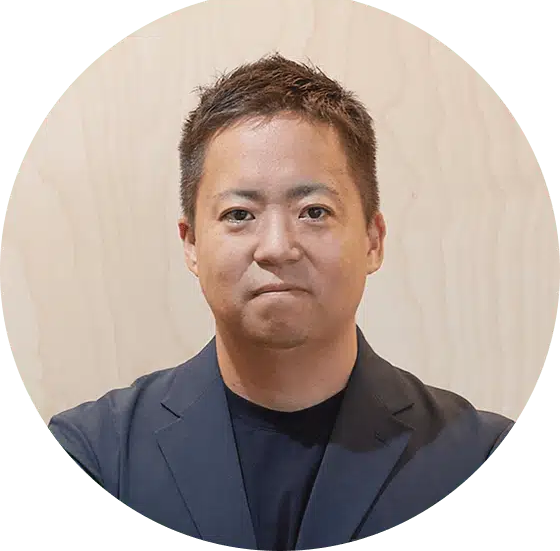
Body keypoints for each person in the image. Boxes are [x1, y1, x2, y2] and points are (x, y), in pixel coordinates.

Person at [49, 54, 515, 551]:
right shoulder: (92, 460)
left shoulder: (483, 462)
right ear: (191, 244)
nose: (276, 247)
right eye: (239, 214)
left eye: (314, 211)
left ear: (373, 240)